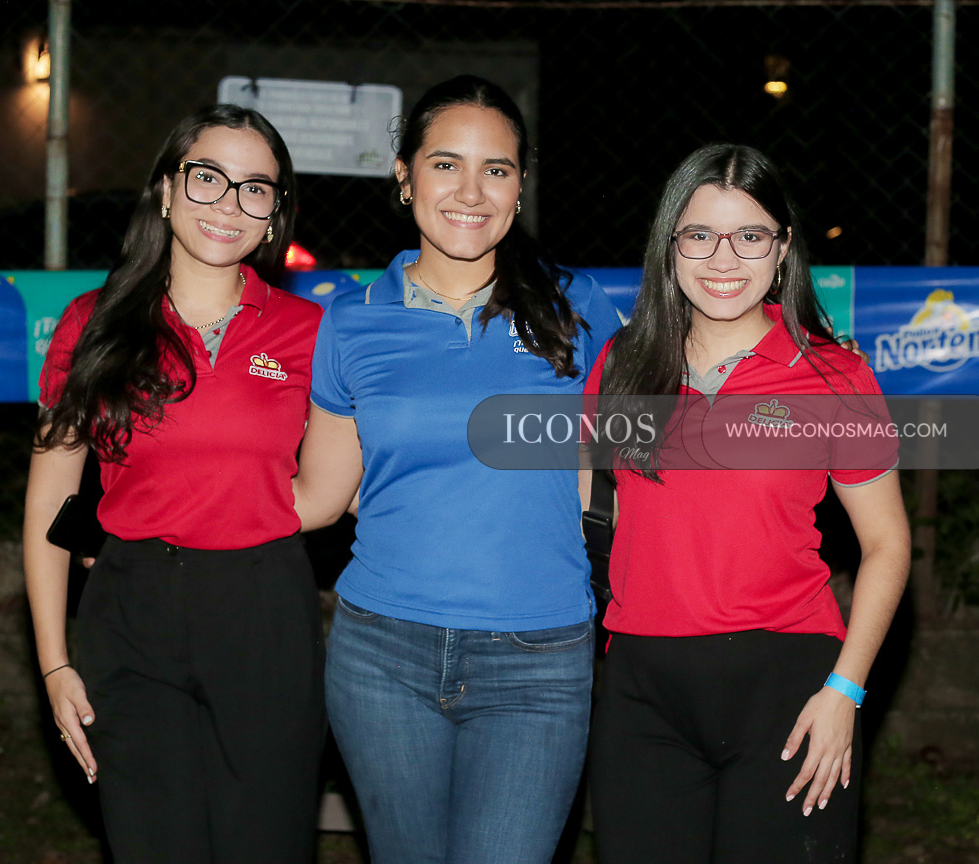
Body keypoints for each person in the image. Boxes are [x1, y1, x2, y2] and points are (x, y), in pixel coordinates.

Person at [291, 75, 620, 864]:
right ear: (404, 177)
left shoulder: (577, 308)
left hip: (539, 655)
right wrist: (149, 511)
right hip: (382, 654)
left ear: (519, 187)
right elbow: (318, 498)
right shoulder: (353, 322)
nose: (471, 191)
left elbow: (633, 467)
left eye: (495, 169)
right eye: (446, 164)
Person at [585, 143, 911, 864]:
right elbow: (587, 507)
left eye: (750, 236)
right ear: (670, 245)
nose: (723, 259)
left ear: (783, 248)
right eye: (700, 235)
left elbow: (887, 545)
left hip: (789, 692)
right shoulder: (622, 364)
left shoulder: (834, 377)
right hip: (641, 691)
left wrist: (846, 690)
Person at [23, 104, 326, 864]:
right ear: (166, 189)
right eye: (207, 178)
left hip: (264, 611)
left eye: (255, 188)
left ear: (275, 213)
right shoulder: (92, 323)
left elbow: (343, 483)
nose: (229, 203)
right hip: (131, 611)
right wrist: (54, 663)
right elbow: (51, 501)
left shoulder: (309, 331)